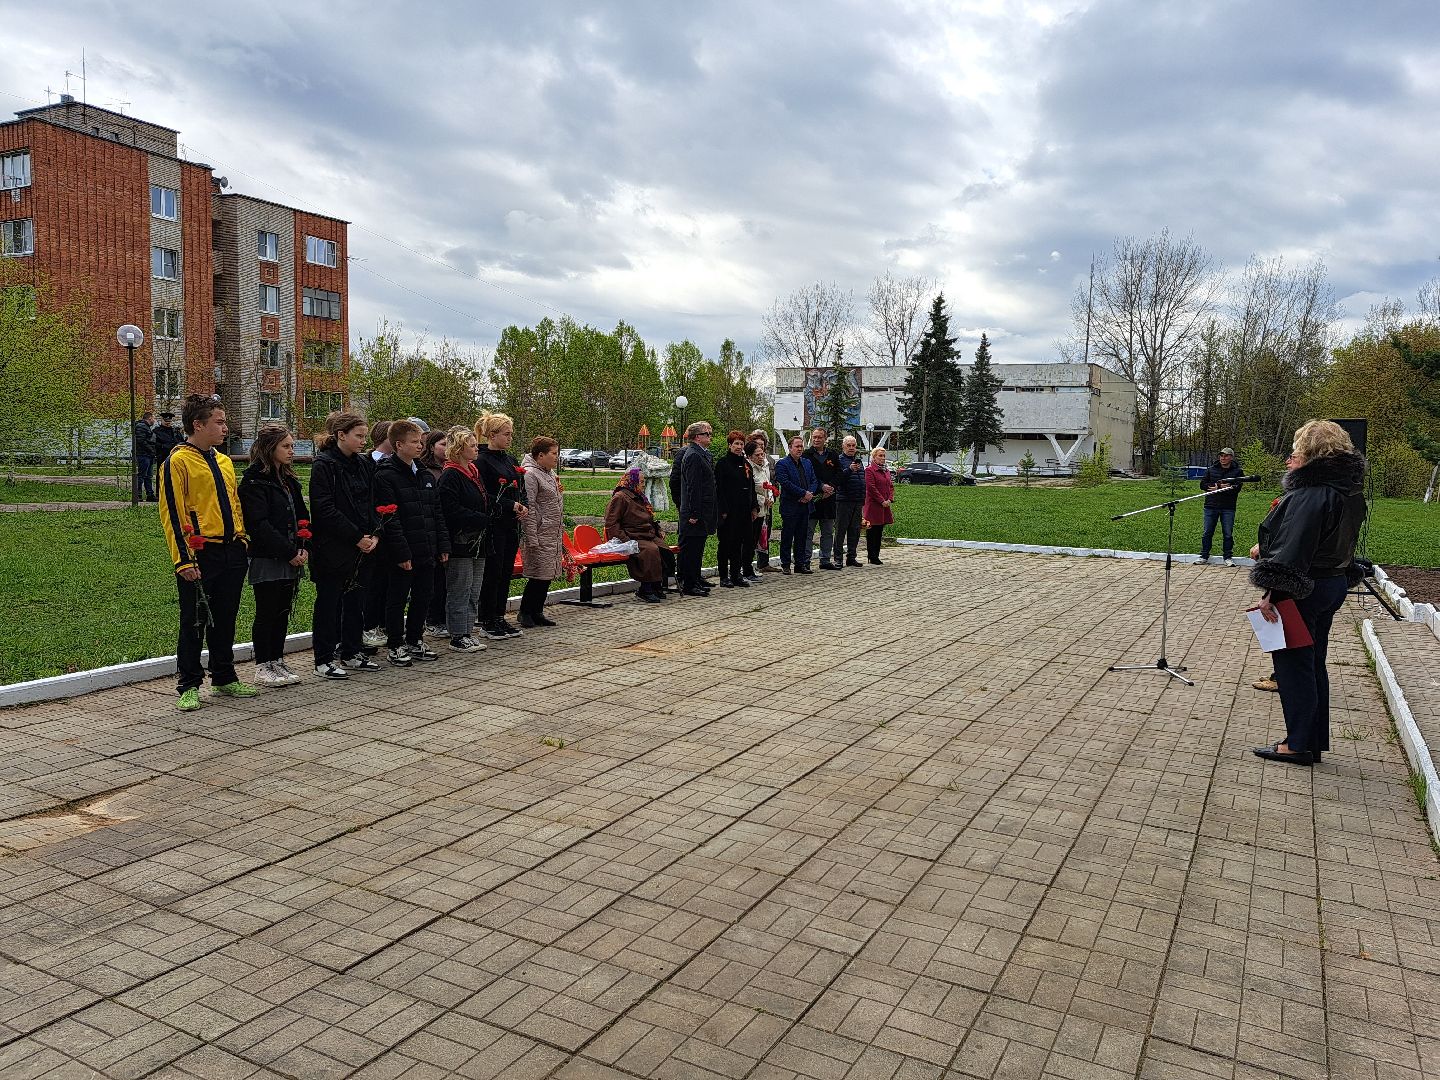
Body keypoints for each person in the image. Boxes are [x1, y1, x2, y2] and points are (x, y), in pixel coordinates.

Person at [1249, 420, 1368, 766]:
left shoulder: (1310, 493)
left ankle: (1297, 744)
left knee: (1294, 667)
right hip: (1331, 583)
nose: (1292, 456)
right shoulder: (1348, 492)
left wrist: (1271, 593)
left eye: (1297, 448)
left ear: (1311, 452)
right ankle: (1310, 740)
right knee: (1313, 663)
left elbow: (1296, 548)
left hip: (1302, 588)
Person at [158, 394, 257, 711]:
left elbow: (234, 503)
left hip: (231, 551)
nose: (225, 428)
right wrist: (183, 559)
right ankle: (188, 683)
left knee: (225, 617)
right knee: (195, 619)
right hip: (200, 553)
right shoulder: (177, 461)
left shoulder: (225, 460)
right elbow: (172, 513)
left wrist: (242, 539)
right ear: (197, 425)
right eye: (219, 422)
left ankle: (225, 676)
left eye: (225, 421)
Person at [308, 411, 380, 680]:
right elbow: (324, 509)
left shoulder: (365, 464)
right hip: (334, 548)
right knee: (329, 604)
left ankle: (351, 651)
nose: (363, 441)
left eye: (365, 436)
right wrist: (355, 537)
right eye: (358, 436)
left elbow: (374, 501)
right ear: (341, 435)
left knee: (356, 603)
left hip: (364, 548)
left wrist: (374, 534)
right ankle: (323, 658)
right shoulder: (324, 465)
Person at [373, 419, 450, 667]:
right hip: (402, 551)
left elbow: (436, 512)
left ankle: (415, 639)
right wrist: (401, 552)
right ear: (398, 444)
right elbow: (390, 518)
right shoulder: (386, 475)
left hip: (427, 548)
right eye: (415, 442)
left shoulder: (424, 473)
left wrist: (442, 545)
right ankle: (395, 644)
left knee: (423, 596)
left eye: (421, 441)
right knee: (397, 598)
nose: (420, 446)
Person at [238, 425, 309, 688]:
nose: (292, 451)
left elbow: (302, 516)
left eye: (292, 446)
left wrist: (303, 546)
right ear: (270, 449)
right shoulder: (254, 482)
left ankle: (277, 658)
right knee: (267, 610)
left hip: (292, 554)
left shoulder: (289, 481)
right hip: (268, 557)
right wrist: (289, 551)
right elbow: (259, 525)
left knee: (283, 609)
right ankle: (262, 664)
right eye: (286, 446)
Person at [476, 412, 529, 638]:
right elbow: (484, 493)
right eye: (506, 434)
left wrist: (523, 505)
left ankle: (499, 615)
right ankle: (487, 618)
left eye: (511, 434)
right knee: (493, 573)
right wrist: (509, 504)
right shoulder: (481, 460)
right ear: (492, 434)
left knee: (505, 571)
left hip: (511, 525)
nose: (509, 438)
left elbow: (520, 487)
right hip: (494, 525)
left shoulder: (510, 459)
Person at [438, 427, 490, 653]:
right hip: (461, 540)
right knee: (460, 587)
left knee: (473, 588)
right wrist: (481, 518)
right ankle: (457, 634)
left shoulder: (473, 471)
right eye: (472, 445)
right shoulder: (451, 474)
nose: (476, 448)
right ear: (459, 448)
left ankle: (468, 630)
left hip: (478, 540)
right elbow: (450, 509)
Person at [605, 467, 672, 602]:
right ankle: (645, 589)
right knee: (650, 551)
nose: (643, 484)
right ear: (632, 481)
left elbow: (649, 519)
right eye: (641, 481)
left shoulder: (639, 496)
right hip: (632, 536)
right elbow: (611, 523)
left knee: (665, 550)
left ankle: (656, 585)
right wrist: (626, 540)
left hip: (647, 534)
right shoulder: (620, 497)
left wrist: (658, 530)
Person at [519, 437, 564, 628]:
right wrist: (532, 537)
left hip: (552, 532)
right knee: (537, 574)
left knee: (546, 574)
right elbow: (529, 507)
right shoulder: (530, 475)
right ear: (540, 455)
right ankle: (525, 611)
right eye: (553, 454)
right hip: (539, 532)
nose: (557, 457)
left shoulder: (549, 473)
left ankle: (537, 611)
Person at [362, 419, 395, 649]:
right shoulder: (367, 463)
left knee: (386, 583)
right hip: (370, 534)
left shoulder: (397, 464)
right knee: (372, 584)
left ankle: (383, 624)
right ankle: (369, 626)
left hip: (391, 533)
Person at [677, 421, 718, 595]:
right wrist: (694, 513)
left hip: (702, 509)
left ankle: (695, 580)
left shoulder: (702, 454)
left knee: (698, 547)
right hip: (694, 511)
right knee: (691, 549)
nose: (709, 436)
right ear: (697, 437)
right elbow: (693, 486)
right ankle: (689, 584)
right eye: (706, 434)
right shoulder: (693, 455)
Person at [714, 430, 758, 588]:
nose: (739, 447)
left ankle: (735, 574)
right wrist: (723, 510)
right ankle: (724, 577)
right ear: (729, 445)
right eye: (736, 444)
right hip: (728, 512)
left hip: (744, 511)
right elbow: (719, 489)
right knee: (726, 544)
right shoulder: (722, 464)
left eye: (741, 444)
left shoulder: (746, 464)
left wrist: (754, 507)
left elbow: (751, 487)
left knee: (739, 543)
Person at [420, 429, 450, 640]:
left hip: (446, 529)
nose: (447, 449)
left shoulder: (447, 468)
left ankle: (441, 616)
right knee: (434, 580)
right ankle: (432, 619)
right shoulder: (427, 471)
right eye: (442, 445)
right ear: (431, 447)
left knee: (445, 579)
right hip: (431, 532)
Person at [774, 434, 818, 574]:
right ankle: (786, 564)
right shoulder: (782, 464)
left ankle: (800, 564)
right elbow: (785, 482)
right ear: (790, 448)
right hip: (790, 505)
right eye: (797, 446)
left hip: (805, 505)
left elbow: (814, 481)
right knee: (788, 536)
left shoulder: (807, 462)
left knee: (802, 536)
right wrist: (802, 493)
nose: (800, 449)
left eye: (801, 446)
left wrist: (809, 494)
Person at [803, 428, 842, 569]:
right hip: (813, 499)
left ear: (825, 438)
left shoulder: (832, 455)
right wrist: (821, 487)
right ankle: (805, 561)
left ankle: (825, 560)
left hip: (829, 500)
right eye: (814, 437)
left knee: (827, 532)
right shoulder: (806, 455)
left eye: (819, 437)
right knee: (808, 532)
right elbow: (806, 476)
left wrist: (831, 487)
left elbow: (839, 474)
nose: (816, 439)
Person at [1199, 447, 1245, 565]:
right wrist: (1213, 486)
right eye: (1221, 456)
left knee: (1228, 533)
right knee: (1207, 531)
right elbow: (1203, 484)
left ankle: (1227, 557)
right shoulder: (1211, 469)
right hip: (1211, 505)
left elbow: (1237, 488)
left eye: (1226, 456)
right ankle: (1204, 556)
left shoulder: (1238, 471)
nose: (1223, 458)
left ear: (1231, 457)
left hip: (1228, 507)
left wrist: (1227, 488)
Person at [833, 434, 866, 568]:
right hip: (843, 500)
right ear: (843, 446)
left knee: (855, 530)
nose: (852, 448)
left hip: (857, 500)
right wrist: (849, 470)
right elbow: (838, 479)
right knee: (841, 530)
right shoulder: (839, 460)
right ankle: (838, 558)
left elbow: (862, 480)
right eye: (849, 445)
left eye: (854, 445)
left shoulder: (859, 461)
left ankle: (851, 557)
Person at [749, 432, 777, 573]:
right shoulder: (748, 464)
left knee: (765, 533)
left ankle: (763, 563)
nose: (760, 448)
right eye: (757, 445)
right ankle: (747, 565)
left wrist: (771, 498)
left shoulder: (770, 461)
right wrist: (761, 500)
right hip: (755, 505)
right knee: (752, 536)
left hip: (768, 504)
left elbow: (772, 481)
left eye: (762, 444)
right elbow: (752, 487)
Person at [863, 446, 894, 565]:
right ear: (874, 457)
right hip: (873, 505)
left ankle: (877, 554)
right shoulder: (869, 470)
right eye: (880, 456)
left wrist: (890, 499)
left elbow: (890, 486)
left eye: (884, 456)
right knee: (872, 530)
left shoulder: (886, 470)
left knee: (880, 529)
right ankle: (872, 556)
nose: (882, 458)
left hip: (884, 505)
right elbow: (871, 487)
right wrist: (881, 500)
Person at [133, 409, 156, 502]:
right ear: (150, 418)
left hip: (148, 455)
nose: (154, 420)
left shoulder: (145, 427)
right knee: (142, 475)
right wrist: (151, 449)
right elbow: (141, 441)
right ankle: (138, 494)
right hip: (143, 454)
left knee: (148, 475)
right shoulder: (141, 427)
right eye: (153, 418)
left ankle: (149, 494)